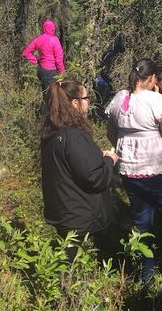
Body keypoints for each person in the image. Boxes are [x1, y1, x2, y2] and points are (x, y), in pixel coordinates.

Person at [106, 60, 162, 285]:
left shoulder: (119, 98)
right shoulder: (155, 100)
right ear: (151, 79)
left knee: (141, 221)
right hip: (156, 168)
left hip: (129, 169)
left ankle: (146, 274)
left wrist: (127, 145)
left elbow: (111, 133)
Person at [41, 79, 118, 263]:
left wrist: (96, 155)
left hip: (62, 208)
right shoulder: (74, 135)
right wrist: (109, 160)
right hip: (78, 214)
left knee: (65, 260)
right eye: (86, 98)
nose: (88, 101)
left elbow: (69, 164)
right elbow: (94, 177)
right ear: (75, 102)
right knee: (70, 264)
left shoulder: (51, 131)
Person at [22, 20, 65, 92]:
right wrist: (62, 72)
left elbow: (26, 53)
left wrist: (36, 61)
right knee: (52, 95)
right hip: (51, 72)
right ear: (53, 28)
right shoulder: (55, 40)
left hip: (41, 71)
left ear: (44, 28)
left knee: (46, 92)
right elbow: (59, 59)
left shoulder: (38, 39)